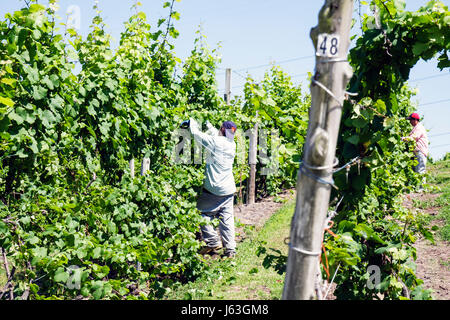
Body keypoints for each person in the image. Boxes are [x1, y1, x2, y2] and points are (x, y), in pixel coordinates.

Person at [188, 118, 238, 258]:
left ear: (222, 130)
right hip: (228, 189)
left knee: (202, 213)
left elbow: (196, 134)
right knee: (227, 220)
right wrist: (209, 125)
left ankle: (212, 241)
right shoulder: (231, 144)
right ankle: (230, 250)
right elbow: (217, 136)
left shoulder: (215, 142)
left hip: (213, 189)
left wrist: (191, 121)